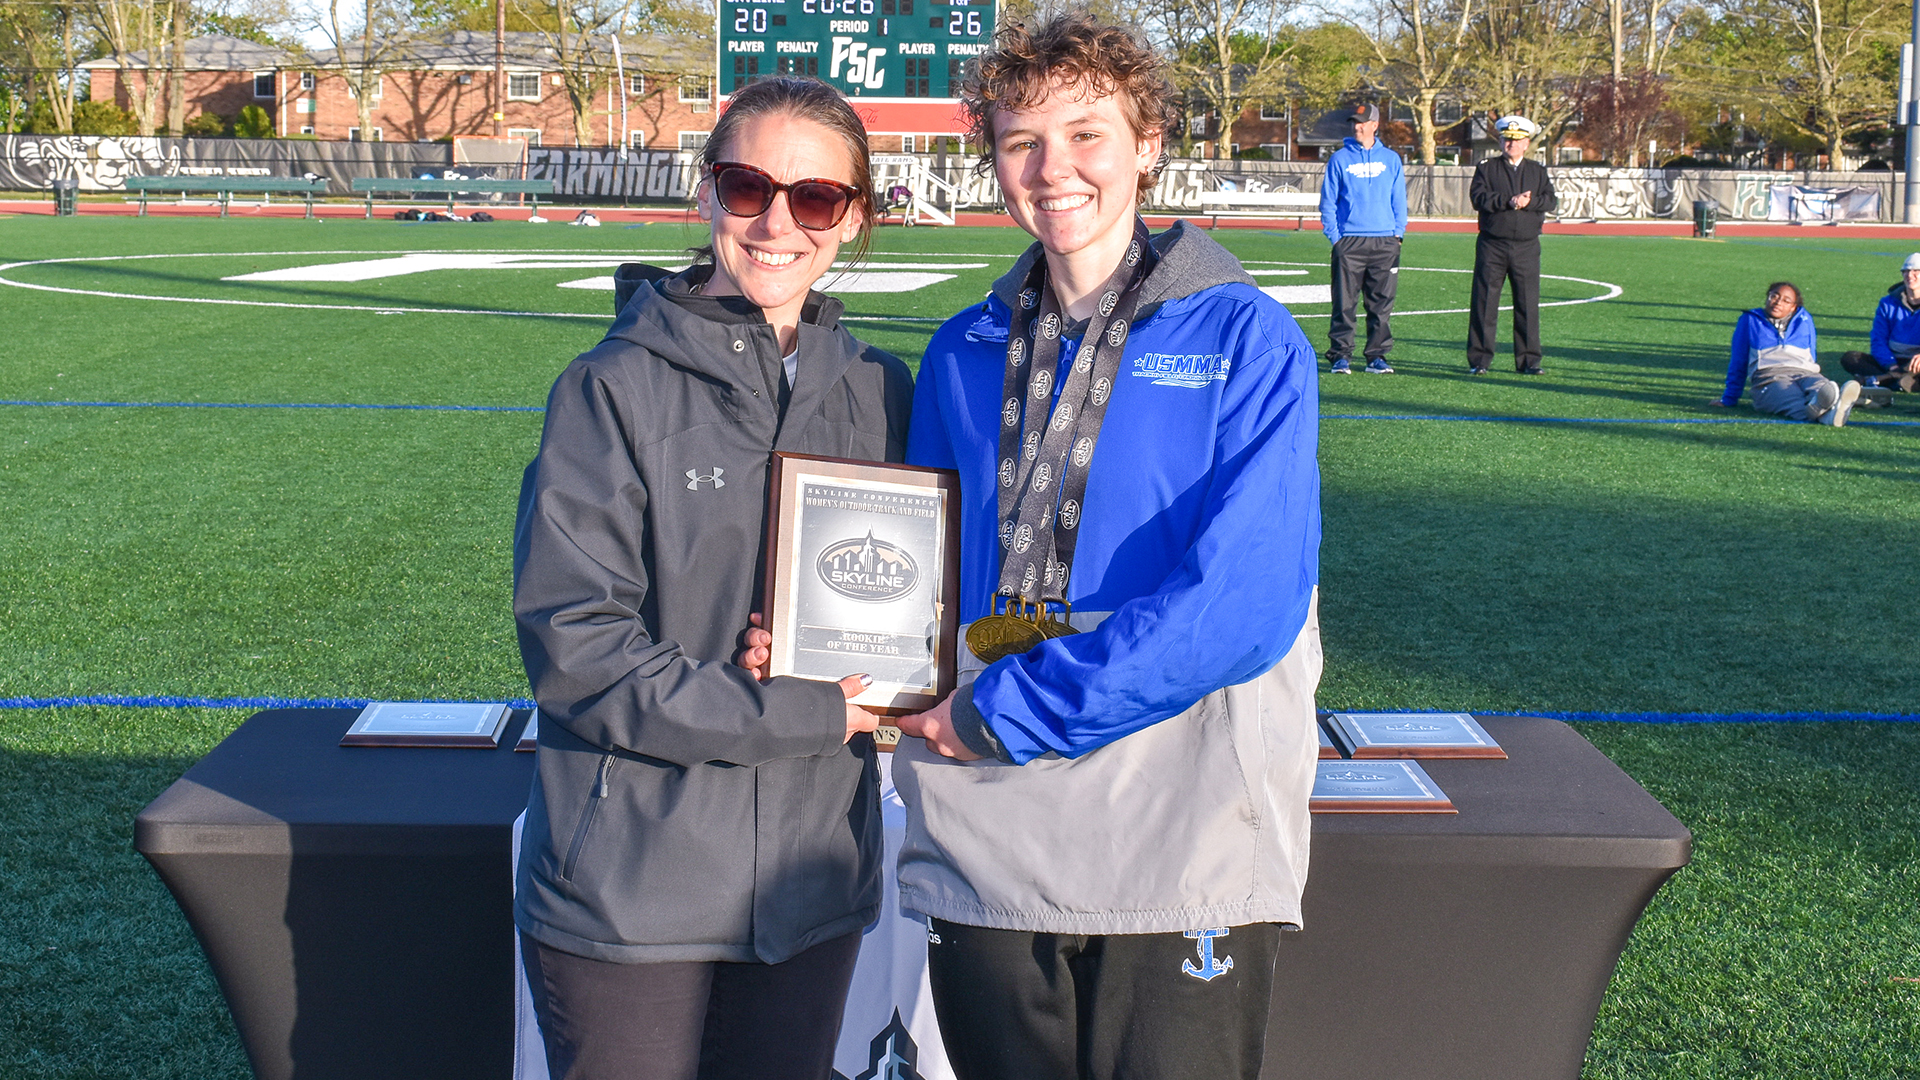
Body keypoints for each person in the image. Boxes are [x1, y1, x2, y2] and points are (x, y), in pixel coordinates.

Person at [887, 14, 1321, 1080]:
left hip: (1181, 828)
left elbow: (1242, 605)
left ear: (1149, 141)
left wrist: (1009, 712)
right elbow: (922, 582)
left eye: (1087, 134)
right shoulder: (962, 349)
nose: (1054, 169)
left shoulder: (1247, 340)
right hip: (989, 826)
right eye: (1022, 140)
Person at [510, 76, 913, 1080]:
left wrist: (902, 684)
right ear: (706, 195)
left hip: (809, 882)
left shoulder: (879, 392)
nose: (778, 221)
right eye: (747, 186)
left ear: (854, 218)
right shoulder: (609, 388)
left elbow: (923, 621)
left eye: (817, 198)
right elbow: (579, 653)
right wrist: (800, 711)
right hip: (632, 884)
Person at [1319, 101, 1408, 375]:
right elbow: (1328, 202)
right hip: (1350, 242)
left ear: (1374, 125)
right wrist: (1336, 238)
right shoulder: (1339, 159)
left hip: (1385, 241)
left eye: (1362, 122)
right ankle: (1340, 356)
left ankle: (1376, 357)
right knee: (1344, 303)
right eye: (1354, 122)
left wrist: (1398, 234)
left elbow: (1399, 199)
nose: (1357, 127)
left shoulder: (1391, 159)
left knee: (1380, 304)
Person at [1467, 114, 1557, 375]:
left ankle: (1529, 361)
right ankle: (1479, 361)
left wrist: (1529, 203)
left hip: (1527, 247)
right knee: (1484, 304)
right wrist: (1509, 201)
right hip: (1492, 245)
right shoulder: (1486, 168)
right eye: (1507, 140)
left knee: (1527, 305)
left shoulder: (1537, 171)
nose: (1511, 144)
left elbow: (1550, 201)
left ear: (1526, 143)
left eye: (1517, 141)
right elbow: (1478, 198)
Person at [1715, 280, 1861, 426]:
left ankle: (1830, 404)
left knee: (1821, 386)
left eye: (1786, 301)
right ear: (1767, 297)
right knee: (1790, 399)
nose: (1778, 302)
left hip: (1805, 372)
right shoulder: (1750, 320)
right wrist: (1729, 398)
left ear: (1793, 307)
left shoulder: (1804, 319)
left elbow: (1812, 353)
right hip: (1769, 376)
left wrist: (1812, 372)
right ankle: (1829, 414)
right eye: (1774, 296)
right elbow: (1738, 360)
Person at [1842, 251, 1920, 392]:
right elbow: (1878, 339)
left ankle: (1883, 380)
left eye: (1916, 271)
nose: (1910, 275)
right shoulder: (1887, 303)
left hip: (1917, 362)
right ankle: (1900, 380)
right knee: (1850, 358)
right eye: (1906, 271)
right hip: (1893, 360)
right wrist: (1891, 365)